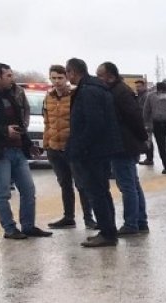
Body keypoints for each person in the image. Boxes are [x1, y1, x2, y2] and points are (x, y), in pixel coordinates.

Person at [0, 62, 50, 239]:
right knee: (2, 193)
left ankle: (28, 226)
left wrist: (28, 144)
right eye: (8, 75)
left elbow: (19, 122)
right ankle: (10, 229)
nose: (12, 78)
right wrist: (4, 131)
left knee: (28, 190)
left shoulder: (11, 93)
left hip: (18, 150)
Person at [64, 58, 122, 248]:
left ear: (73, 72)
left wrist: (79, 147)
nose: (67, 77)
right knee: (101, 192)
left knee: (97, 193)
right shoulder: (94, 88)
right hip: (99, 150)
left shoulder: (88, 91)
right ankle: (108, 230)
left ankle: (107, 233)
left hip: (92, 152)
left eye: (67, 73)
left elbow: (93, 124)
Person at [98, 62, 149, 235]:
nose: (98, 80)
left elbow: (135, 118)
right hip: (124, 144)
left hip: (123, 146)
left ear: (110, 76)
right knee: (133, 184)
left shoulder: (120, 93)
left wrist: (142, 138)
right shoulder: (117, 91)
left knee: (127, 186)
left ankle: (131, 224)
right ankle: (140, 221)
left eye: (100, 76)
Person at [43, 64, 95, 230]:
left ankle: (89, 218)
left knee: (81, 184)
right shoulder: (48, 97)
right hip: (54, 148)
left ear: (66, 78)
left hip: (72, 148)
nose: (57, 81)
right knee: (65, 184)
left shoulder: (75, 95)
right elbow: (47, 122)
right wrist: (46, 144)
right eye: (54, 78)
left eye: (60, 78)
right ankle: (68, 217)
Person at [134, 78, 154, 166]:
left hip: (147, 122)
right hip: (142, 121)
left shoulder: (146, 96)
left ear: (144, 86)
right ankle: (148, 158)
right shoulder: (140, 95)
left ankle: (149, 159)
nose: (137, 88)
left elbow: (146, 110)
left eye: (139, 86)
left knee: (148, 141)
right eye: (136, 87)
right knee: (146, 140)